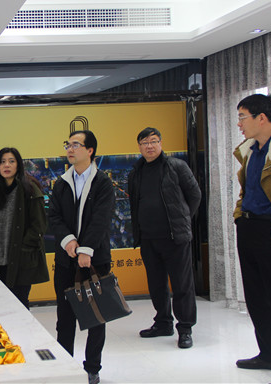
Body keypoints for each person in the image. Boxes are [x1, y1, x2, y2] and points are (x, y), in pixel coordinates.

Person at [233, 94, 271, 384]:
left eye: (242, 117)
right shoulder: (250, 150)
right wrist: (239, 214)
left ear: (261, 118)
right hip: (248, 227)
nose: (239, 124)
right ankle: (270, 354)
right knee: (256, 297)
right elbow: (247, 189)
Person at [49, 130, 115, 384]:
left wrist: (86, 249)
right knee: (64, 318)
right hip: (66, 260)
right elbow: (54, 216)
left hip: (95, 260)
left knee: (97, 317)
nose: (70, 148)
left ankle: (92, 368)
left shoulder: (103, 182)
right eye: (68, 144)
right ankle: (65, 365)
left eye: (76, 144)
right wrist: (68, 241)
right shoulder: (61, 183)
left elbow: (101, 219)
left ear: (90, 151)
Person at [127, 127, 201, 349]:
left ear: (160, 143)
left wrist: (183, 219)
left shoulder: (176, 166)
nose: (149, 146)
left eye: (153, 141)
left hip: (174, 237)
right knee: (156, 284)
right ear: (139, 147)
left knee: (182, 284)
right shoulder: (136, 172)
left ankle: (185, 328)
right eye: (145, 143)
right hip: (148, 238)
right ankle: (163, 323)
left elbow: (195, 195)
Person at [0, 147, 49, 308]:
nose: (7, 165)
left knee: (20, 303)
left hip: (21, 259)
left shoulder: (30, 190)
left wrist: (24, 248)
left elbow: (39, 226)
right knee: (0, 305)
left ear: (18, 165)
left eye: (11, 161)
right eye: (2, 162)